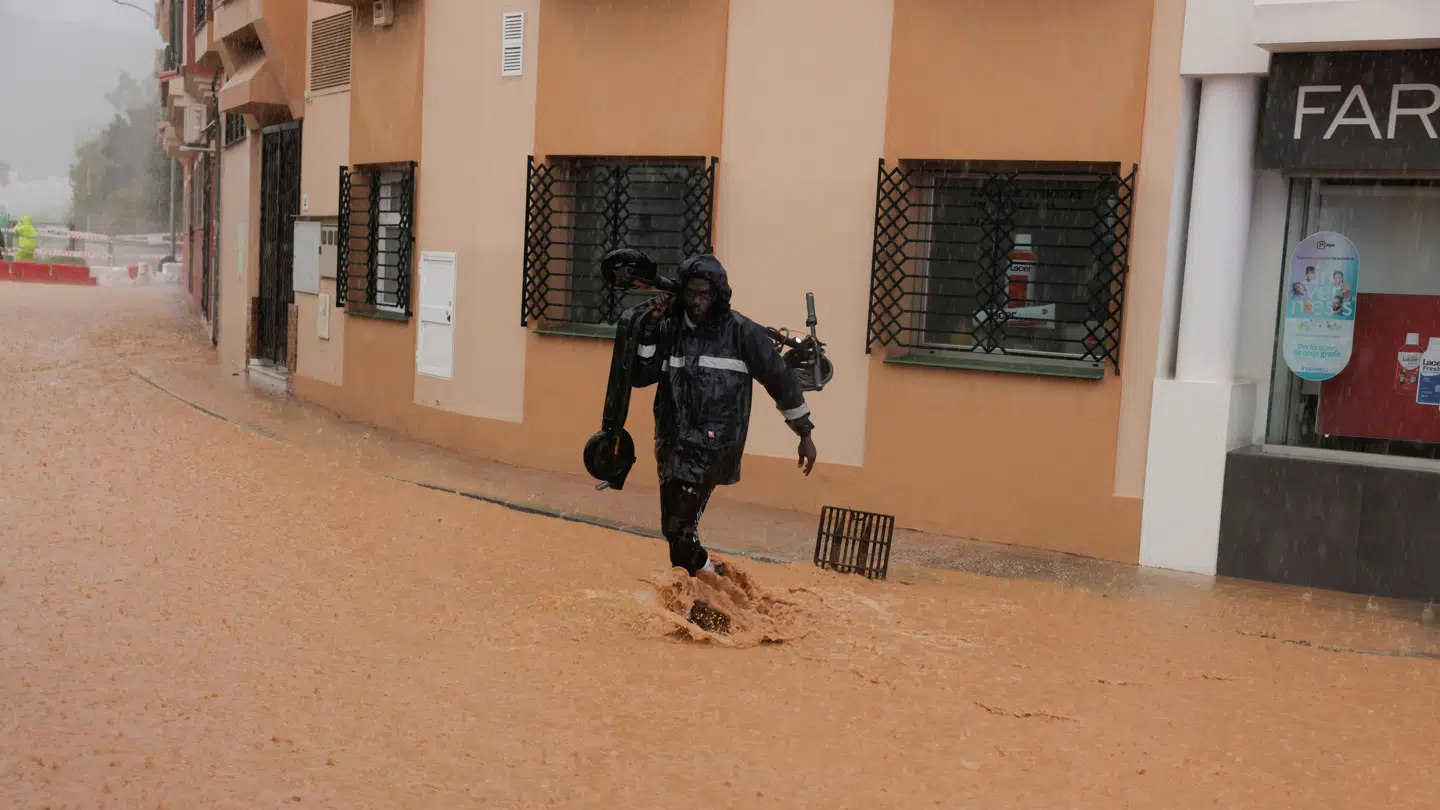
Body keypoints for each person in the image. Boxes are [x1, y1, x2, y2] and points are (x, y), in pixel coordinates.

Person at [631, 254, 818, 579]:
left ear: (717, 294)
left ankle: (705, 596)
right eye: (691, 293)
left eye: (705, 294)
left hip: (712, 449)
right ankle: (715, 581)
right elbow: (641, 374)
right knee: (674, 533)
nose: (697, 302)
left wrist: (804, 433)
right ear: (682, 292)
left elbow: (780, 380)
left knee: (680, 531)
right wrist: (649, 327)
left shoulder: (741, 332)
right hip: (673, 445)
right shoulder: (670, 328)